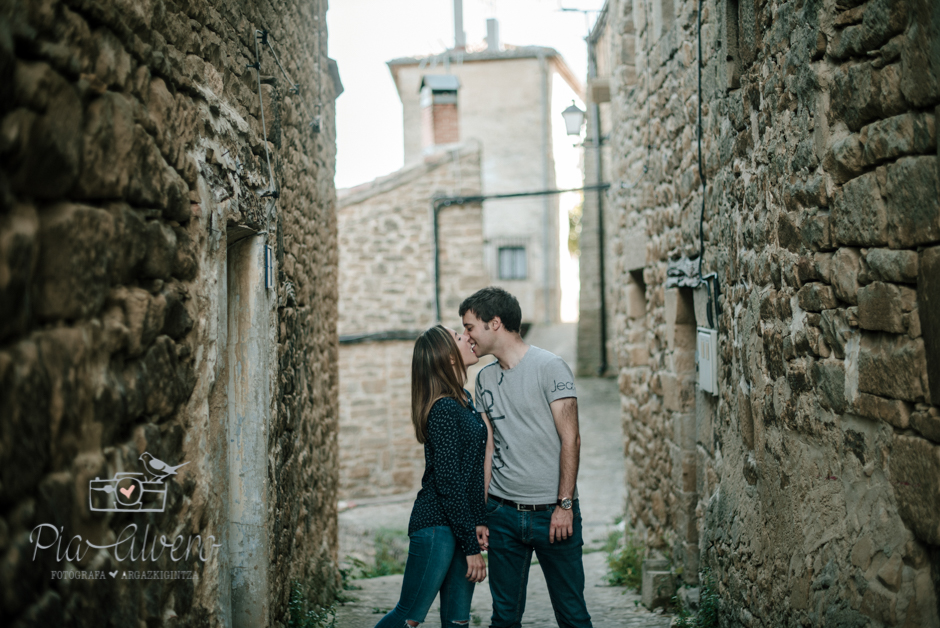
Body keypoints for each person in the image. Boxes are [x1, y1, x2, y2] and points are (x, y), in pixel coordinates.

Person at [460, 287, 592, 628]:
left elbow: (571, 439)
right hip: (502, 515)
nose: (467, 336)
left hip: (553, 516)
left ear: (495, 323)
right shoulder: (484, 379)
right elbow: (488, 447)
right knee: (504, 618)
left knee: (573, 615)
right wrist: (482, 513)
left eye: (470, 326)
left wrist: (564, 505)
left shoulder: (550, 367)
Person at [374, 324, 490, 628]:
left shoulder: (463, 400)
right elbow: (449, 483)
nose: (468, 336)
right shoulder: (443, 409)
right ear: (448, 357)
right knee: (409, 616)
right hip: (436, 526)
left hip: (460, 523)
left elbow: (472, 473)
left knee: (458, 621)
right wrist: (471, 547)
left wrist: (477, 520)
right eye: (459, 335)